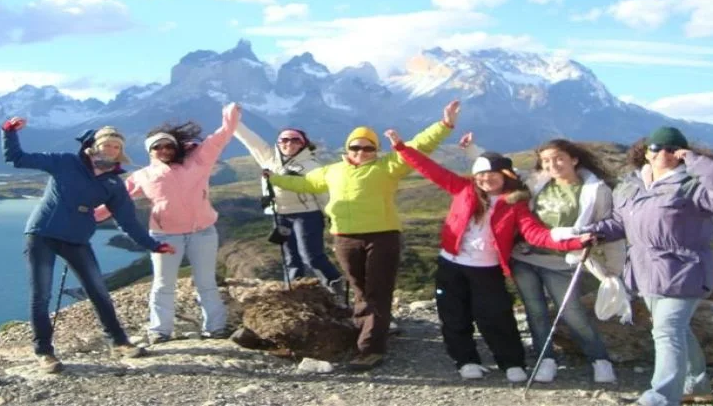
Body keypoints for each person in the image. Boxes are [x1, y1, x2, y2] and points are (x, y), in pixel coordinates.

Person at [264, 101, 461, 370]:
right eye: (356, 147)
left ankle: (370, 348)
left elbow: (419, 145)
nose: (362, 152)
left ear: (376, 149)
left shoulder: (389, 165)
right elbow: (304, 183)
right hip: (345, 238)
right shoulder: (332, 171)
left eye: (368, 147)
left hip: (382, 237)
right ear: (347, 149)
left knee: (377, 291)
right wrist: (273, 179)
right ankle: (365, 333)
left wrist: (445, 124)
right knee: (359, 290)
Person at [383, 129, 586, 383]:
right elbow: (430, 170)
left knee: (496, 316)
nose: (486, 179)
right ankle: (465, 360)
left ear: (505, 175)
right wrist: (402, 148)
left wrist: (575, 242)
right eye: (481, 175)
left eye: (492, 174)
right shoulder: (463, 189)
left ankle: (511, 362)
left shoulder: (515, 203)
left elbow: (535, 234)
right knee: (454, 316)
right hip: (451, 265)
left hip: (486, 269)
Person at [579, 126, 713, 406]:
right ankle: (696, 384)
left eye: (672, 149)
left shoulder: (693, 184)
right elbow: (620, 222)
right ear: (646, 152)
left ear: (681, 153)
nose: (663, 154)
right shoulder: (631, 184)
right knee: (675, 328)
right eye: (657, 148)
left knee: (667, 330)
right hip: (646, 270)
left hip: (685, 269)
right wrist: (596, 232)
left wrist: (695, 160)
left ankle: (660, 398)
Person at [1, 116, 175, 374]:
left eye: (116, 147)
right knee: (42, 295)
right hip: (43, 234)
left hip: (77, 239)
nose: (111, 150)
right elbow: (18, 158)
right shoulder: (65, 162)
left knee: (98, 290)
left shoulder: (114, 183)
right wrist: (9, 132)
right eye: (107, 144)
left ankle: (119, 342)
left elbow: (127, 221)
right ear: (94, 145)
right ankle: (44, 352)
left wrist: (153, 245)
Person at [462, 135, 621, 383]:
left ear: (574, 159)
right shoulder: (537, 181)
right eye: (546, 160)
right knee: (535, 312)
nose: (552, 164)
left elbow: (610, 232)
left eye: (559, 158)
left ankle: (599, 359)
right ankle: (545, 359)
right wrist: (472, 149)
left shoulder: (595, 191)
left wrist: (614, 269)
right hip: (524, 258)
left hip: (561, 262)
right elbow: (500, 167)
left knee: (572, 313)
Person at [95, 103, 241, 344]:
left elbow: (219, 139)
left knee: (206, 282)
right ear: (149, 151)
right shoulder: (142, 176)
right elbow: (116, 201)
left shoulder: (197, 162)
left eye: (167, 145)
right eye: (157, 147)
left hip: (203, 232)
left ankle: (215, 328)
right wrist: (88, 217)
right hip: (165, 236)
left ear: (175, 147)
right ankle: (160, 330)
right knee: (164, 284)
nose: (163, 149)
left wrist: (230, 118)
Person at [233, 122, 343, 294]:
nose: (289, 143)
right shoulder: (269, 159)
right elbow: (252, 142)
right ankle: (294, 291)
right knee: (290, 258)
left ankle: (335, 286)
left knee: (311, 256)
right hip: (280, 215)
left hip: (307, 215)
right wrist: (234, 123)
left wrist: (331, 215)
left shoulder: (311, 165)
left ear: (303, 144)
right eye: (284, 140)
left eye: (295, 140)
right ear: (278, 142)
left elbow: (322, 193)